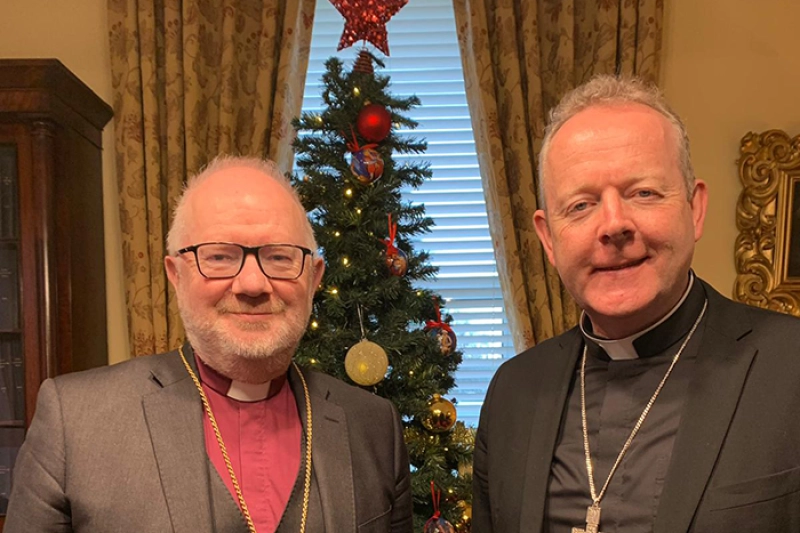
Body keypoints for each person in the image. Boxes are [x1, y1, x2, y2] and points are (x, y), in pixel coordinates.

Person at [7, 156, 413, 532]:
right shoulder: (76, 421)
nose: (253, 284)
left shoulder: (374, 425)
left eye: (279, 257)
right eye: (219, 257)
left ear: (314, 276)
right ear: (176, 274)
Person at [473, 76, 800, 533]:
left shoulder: (790, 368)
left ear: (695, 208)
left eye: (643, 193)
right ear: (549, 239)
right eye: (581, 205)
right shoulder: (512, 392)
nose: (614, 225)